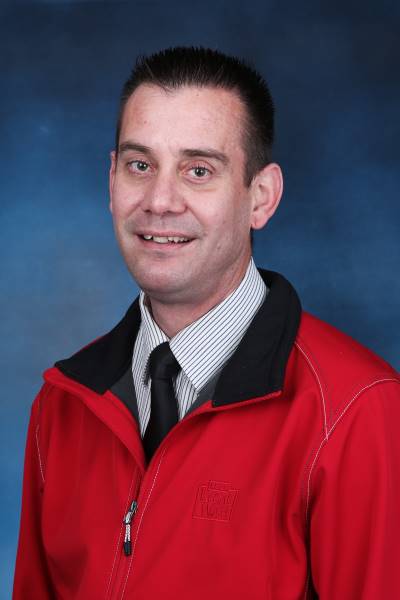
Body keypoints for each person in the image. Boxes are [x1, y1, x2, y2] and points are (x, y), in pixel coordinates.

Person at [13, 46, 400, 599]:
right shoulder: (62, 405)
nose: (160, 201)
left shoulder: (357, 412)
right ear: (111, 180)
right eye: (140, 165)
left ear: (261, 197)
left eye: (198, 170)